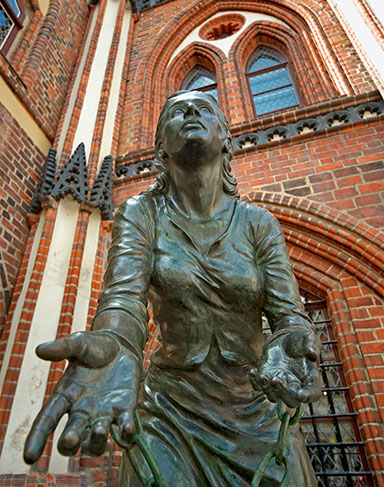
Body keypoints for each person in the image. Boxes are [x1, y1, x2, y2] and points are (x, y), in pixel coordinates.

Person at [24, 91, 321, 486]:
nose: (192, 112)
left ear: (227, 140)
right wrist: (117, 342)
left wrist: (292, 341)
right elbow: (123, 299)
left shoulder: (257, 223)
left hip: (255, 413)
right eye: (177, 112)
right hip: (170, 412)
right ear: (161, 148)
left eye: (205, 109)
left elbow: (290, 316)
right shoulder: (141, 213)